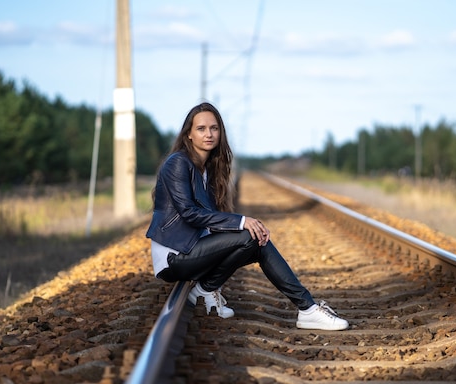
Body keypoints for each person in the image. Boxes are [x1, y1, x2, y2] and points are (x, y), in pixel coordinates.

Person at [145, 102, 349, 331]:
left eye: (214, 128)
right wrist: (242, 221)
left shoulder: (207, 169)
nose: (209, 134)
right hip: (175, 256)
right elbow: (190, 213)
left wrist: (244, 226)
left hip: (193, 248)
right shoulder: (178, 163)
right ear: (189, 134)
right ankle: (308, 309)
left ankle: (206, 291)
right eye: (201, 129)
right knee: (250, 234)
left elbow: (210, 218)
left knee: (257, 241)